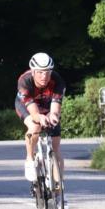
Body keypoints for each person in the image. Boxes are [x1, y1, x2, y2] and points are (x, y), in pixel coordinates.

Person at [15, 53, 66, 195]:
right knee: (35, 126)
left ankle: (58, 191)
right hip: (27, 106)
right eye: (40, 72)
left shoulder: (57, 80)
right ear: (33, 72)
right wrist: (40, 117)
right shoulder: (24, 81)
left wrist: (53, 117)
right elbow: (35, 114)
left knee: (56, 147)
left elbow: (55, 109)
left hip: (47, 104)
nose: (44, 76)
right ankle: (30, 159)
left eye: (47, 72)